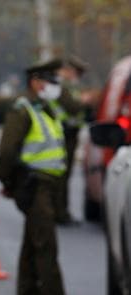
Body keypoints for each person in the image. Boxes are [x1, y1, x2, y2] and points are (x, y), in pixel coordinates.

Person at [0, 59, 85, 295]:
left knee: (31, 249)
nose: (57, 88)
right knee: (46, 249)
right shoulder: (23, 110)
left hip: (46, 187)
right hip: (35, 187)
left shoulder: (44, 109)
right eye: (53, 82)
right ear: (36, 82)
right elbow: (8, 152)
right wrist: (10, 182)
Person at [55, 56, 89, 226]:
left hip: (71, 134)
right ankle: (60, 213)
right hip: (64, 135)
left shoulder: (70, 87)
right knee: (62, 176)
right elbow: (72, 107)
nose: (78, 76)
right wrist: (83, 102)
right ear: (68, 70)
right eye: (77, 72)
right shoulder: (61, 86)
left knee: (65, 176)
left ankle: (62, 211)